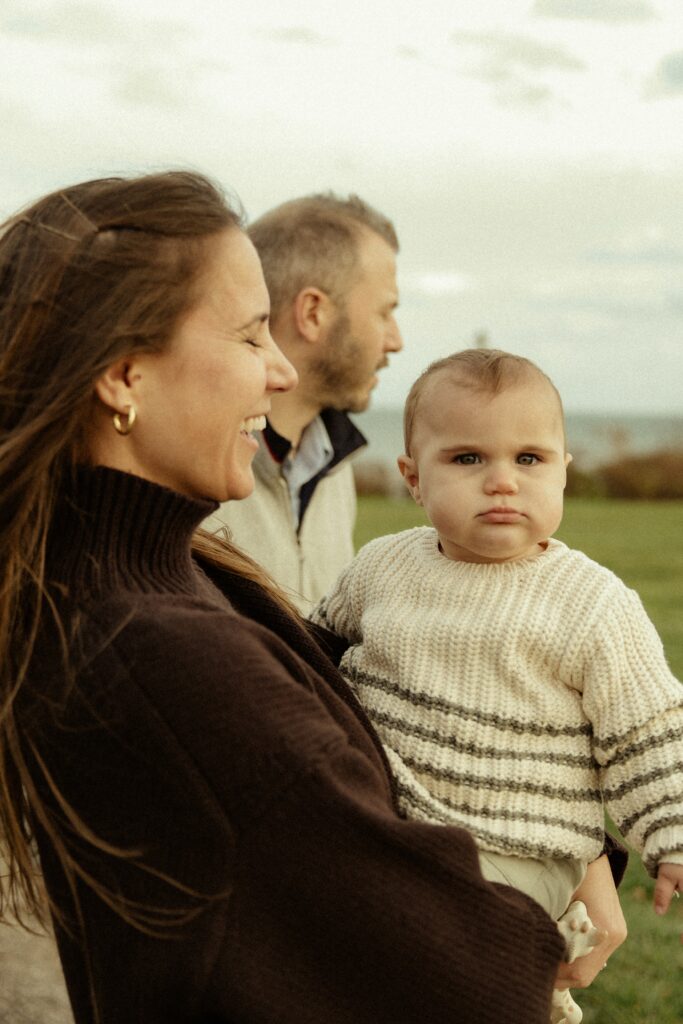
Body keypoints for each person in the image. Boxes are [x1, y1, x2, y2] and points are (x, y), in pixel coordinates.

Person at [0, 171, 623, 1024]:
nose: (279, 369)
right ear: (124, 374)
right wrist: (543, 905)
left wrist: (571, 838)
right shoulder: (161, 650)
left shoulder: (168, 572)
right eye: (252, 335)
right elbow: (462, 973)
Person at [311, 347, 683, 1022]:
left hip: (518, 845)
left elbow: (647, 731)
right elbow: (312, 652)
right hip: (392, 821)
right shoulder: (381, 568)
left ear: (564, 473)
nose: (502, 482)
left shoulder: (592, 604)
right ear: (412, 478)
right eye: (467, 459)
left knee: (456, 949)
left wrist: (671, 831)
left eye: (529, 459)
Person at [203, 192, 403, 612]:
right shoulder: (201, 471)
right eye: (384, 313)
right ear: (313, 313)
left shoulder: (335, 464)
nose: (396, 341)